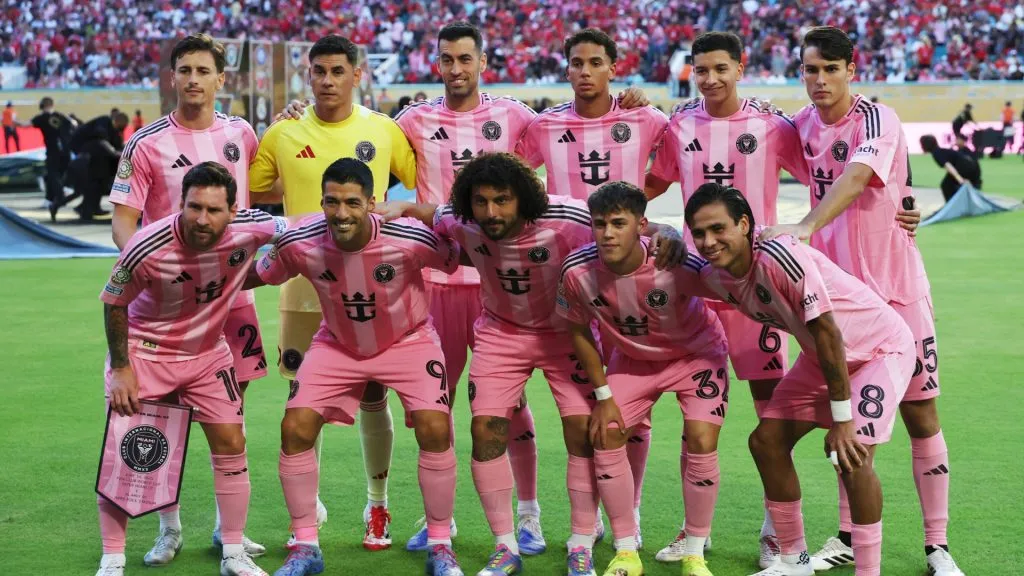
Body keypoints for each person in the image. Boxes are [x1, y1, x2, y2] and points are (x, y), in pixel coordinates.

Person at [374, 152, 685, 576]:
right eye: (481, 201)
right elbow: (437, 213)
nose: (490, 211)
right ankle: (505, 547)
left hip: (565, 334)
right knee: (485, 432)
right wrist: (407, 207)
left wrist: (669, 233)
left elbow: (629, 224)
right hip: (501, 333)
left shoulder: (567, 218)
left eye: (502, 200)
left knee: (582, 433)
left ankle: (580, 542)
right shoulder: (464, 218)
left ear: (523, 197)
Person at [764, 26, 964, 576]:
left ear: (852, 68)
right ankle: (850, 537)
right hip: (840, 306)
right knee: (845, 418)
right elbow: (748, 133)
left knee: (922, 413)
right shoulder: (798, 127)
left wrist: (805, 225)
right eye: (811, 69)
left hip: (897, 294)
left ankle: (936, 546)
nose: (821, 79)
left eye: (831, 68)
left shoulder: (878, 118)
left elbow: (857, 178)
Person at [245, 158, 464, 576]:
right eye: (331, 202)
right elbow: (259, 274)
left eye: (352, 202)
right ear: (321, 201)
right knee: (295, 428)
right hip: (338, 343)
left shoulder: (410, 237)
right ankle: (305, 545)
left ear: (372, 202)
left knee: (436, 426)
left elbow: (459, 258)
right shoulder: (299, 241)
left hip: (409, 339)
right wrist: (199, 282)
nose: (341, 213)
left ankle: (440, 543)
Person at [686, 183, 916, 576]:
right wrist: (660, 236)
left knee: (852, 455)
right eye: (699, 233)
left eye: (718, 229)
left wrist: (843, 420)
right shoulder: (718, 275)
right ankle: (794, 561)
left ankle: (869, 571)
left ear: (744, 225)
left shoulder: (778, 256)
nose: (708, 241)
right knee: (766, 441)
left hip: (879, 349)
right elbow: (665, 263)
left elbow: (828, 332)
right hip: (823, 356)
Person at [643, 31, 810, 566]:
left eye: (721, 68)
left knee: (770, 411)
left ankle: (775, 531)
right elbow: (647, 183)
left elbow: (822, 178)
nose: (711, 79)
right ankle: (696, 532)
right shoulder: (680, 123)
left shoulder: (771, 125)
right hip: (695, 282)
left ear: (742, 67)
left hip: (754, 287)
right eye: (701, 70)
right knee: (696, 416)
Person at [248, 34, 418, 551]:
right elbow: (255, 192)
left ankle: (377, 503)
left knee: (373, 393)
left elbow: (421, 188)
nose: (326, 80)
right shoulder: (283, 133)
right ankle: (309, 508)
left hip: (372, 288)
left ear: (357, 75)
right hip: (304, 287)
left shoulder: (383, 130)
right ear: (308, 74)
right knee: (306, 400)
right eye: (318, 71)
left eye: (337, 71)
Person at [107, 33, 268, 562]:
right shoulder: (145, 143)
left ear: (222, 79)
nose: (194, 79)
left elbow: (260, 207)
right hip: (167, 303)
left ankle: (230, 532)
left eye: (204, 70)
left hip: (230, 299)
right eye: (185, 70)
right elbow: (123, 225)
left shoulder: (242, 133)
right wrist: (158, 268)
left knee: (230, 416)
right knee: (163, 419)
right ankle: (168, 528)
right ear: (172, 77)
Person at [95, 161, 285, 576]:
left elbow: (305, 227)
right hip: (147, 353)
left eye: (214, 210)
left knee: (232, 443)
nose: (201, 219)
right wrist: (123, 369)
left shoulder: (253, 228)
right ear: (181, 203)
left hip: (207, 354)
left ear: (233, 211)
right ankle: (117, 556)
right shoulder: (146, 245)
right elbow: (113, 301)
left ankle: (233, 553)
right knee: (133, 453)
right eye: (193, 207)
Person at [515, 28, 663, 547]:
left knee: (632, 409)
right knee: (584, 408)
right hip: (565, 282)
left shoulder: (644, 118)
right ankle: (584, 518)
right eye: (576, 62)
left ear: (613, 67)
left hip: (626, 283)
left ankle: (632, 509)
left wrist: (636, 213)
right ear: (566, 68)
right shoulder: (544, 125)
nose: (584, 71)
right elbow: (511, 177)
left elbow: (671, 164)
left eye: (595, 62)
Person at [557, 181, 729, 576]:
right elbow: (579, 330)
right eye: (600, 224)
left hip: (696, 356)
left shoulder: (675, 261)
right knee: (606, 432)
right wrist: (602, 395)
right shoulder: (577, 270)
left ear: (641, 225)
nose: (608, 233)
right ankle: (625, 549)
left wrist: (672, 233)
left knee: (702, 439)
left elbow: (729, 282)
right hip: (634, 360)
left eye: (619, 223)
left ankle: (695, 551)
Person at [69, 110, 129, 220]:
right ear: (117, 121)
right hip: (83, 153)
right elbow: (104, 143)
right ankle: (85, 209)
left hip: (93, 158)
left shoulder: (110, 128)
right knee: (94, 183)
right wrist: (115, 151)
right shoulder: (103, 124)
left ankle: (93, 207)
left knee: (100, 181)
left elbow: (115, 145)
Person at [31, 97, 75, 221]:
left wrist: (13, 121)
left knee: (52, 174)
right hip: (65, 151)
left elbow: (26, 124)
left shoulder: (42, 118)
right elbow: (74, 124)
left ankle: (61, 196)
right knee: (55, 175)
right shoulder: (61, 116)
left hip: (53, 151)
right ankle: (49, 199)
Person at [919, 135, 982, 202]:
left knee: (946, 185)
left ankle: (951, 205)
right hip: (973, 167)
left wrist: (960, 180)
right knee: (948, 184)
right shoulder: (941, 151)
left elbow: (948, 166)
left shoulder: (936, 153)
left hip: (966, 167)